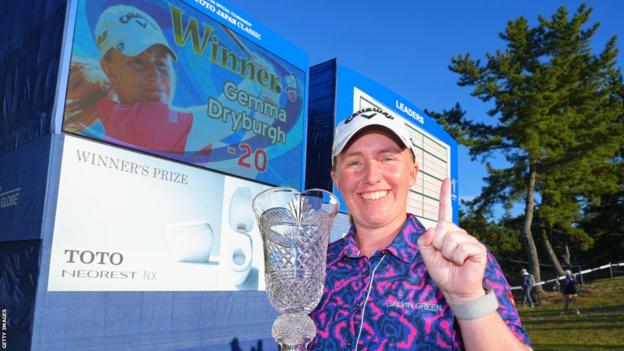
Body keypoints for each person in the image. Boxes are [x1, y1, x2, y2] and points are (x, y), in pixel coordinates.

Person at [309, 108, 531, 350]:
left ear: (413, 173)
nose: (371, 176)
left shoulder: (461, 259)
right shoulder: (318, 263)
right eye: (354, 162)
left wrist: (467, 299)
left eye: (387, 158)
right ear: (338, 180)